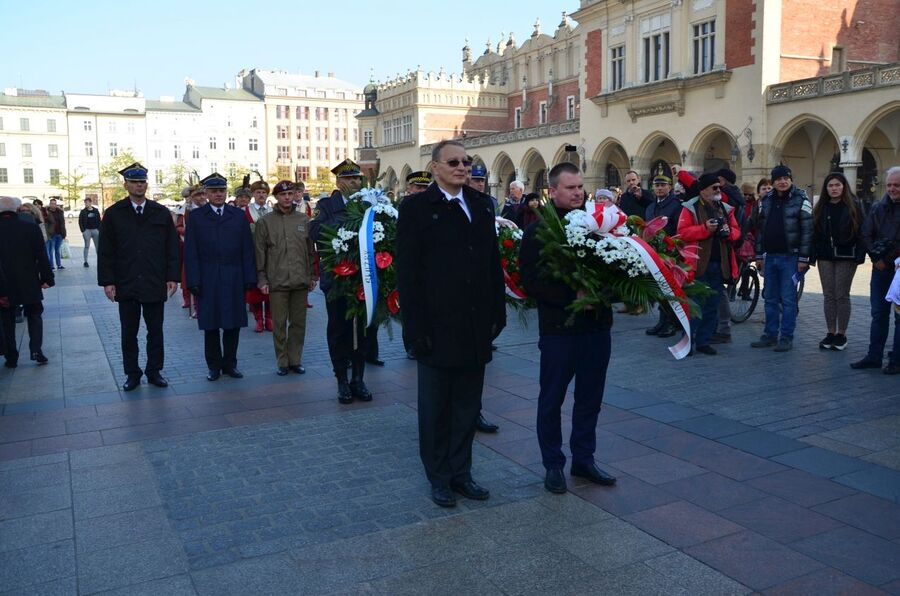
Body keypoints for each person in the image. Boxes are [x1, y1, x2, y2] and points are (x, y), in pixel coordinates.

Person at [397, 140, 506, 508]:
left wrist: (498, 312)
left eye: (467, 161)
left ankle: (462, 473)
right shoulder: (415, 208)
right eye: (454, 162)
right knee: (436, 409)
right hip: (436, 326)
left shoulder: (480, 204)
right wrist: (414, 330)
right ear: (436, 167)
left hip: (475, 324)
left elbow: (491, 262)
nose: (462, 167)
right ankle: (439, 477)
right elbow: (408, 274)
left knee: (466, 406)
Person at [519, 162, 616, 495]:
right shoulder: (538, 230)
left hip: (596, 328)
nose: (578, 192)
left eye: (580, 187)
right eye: (571, 187)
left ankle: (584, 459)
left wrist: (602, 294)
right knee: (552, 399)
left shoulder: (599, 226)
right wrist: (571, 295)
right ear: (553, 191)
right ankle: (553, 465)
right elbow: (530, 280)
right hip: (560, 329)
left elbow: (617, 270)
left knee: (590, 399)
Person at [97, 163, 180, 391]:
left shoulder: (160, 212)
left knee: (155, 331)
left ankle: (154, 371)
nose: (138, 185)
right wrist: (108, 281)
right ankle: (132, 373)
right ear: (126, 185)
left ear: (146, 184)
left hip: (154, 281)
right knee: (128, 333)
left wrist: (172, 276)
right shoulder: (114, 213)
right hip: (127, 282)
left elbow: (171, 247)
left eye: (142, 182)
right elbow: (105, 251)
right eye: (134, 182)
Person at [310, 159, 373, 403]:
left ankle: (358, 378)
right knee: (339, 329)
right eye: (348, 179)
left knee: (364, 330)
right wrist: (348, 225)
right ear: (338, 182)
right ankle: (342, 380)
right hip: (336, 278)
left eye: (357, 178)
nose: (354, 183)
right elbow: (315, 232)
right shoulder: (326, 205)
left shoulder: (369, 203)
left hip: (363, 278)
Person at [184, 173, 256, 381]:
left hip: (233, 276)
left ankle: (230, 364)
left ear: (226, 192)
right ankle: (214, 366)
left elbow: (247, 249)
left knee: (233, 324)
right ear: (206, 193)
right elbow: (191, 252)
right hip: (208, 277)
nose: (218, 194)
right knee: (211, 324)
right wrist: (193, 280)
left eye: (221, 191)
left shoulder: (237, 215)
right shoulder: (197, 217)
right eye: (214, 191)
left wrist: (249, 276)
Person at [256, 180, 317, 375]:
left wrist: (313, 275)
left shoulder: (303, 220)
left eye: (290, 194)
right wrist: (262, 279)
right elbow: (260, 253)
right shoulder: (265, 222)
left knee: (299, 323)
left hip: (300, 279)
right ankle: (282, 362)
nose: (287, 198)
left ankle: (295, 359)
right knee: (279, 324)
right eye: (283, 195)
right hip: (277, 281)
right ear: (276, 197)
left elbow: (311, 251)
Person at [677, 174, 741, 355]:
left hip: (719, 264)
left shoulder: (726, 209)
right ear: (703, 190)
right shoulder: (690, 208)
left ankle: (704, 341)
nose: (718, 190)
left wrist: (729, 232)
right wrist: (705, 229)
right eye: (714, 188)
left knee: (712, 305)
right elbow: (682, 233)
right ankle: (688, 341)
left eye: (719, 187)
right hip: (696, 265)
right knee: (695, 305)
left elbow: (737, 233)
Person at [751, 165, 813, 352]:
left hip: (791, 257)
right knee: (769, 298)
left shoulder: (802, 198)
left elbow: (808, 232)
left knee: (787, 300)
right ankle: (769, 335)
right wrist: (759, 255)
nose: (782, 181)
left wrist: (804, 258)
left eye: (786, 178)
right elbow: (761, 230)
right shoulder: (767, 200)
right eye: (778, 179)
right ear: (773, 182)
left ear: (791, 179)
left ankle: (786, 337)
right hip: (770, 257)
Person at [851, 166, 900, 374]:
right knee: (878, 313)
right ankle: (874, 356)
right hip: (881, 268)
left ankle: (897, 360)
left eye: (897, 185)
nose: (892, 189)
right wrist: (875, 256)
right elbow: (865, 234)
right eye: (889, 185)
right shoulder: (878, 208)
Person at [812, 172, 865, 351]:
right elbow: (815, 232)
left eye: (837, 185)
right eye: (830, 185)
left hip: (846, 255)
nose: (834, 188)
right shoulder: (821, 207)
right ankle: (830, 332)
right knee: (829, 295)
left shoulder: (854, 205)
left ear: (844, 186)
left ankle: (841, 334)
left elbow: (862, 231)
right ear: (826, 188)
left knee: (841, 294)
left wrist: (860, 254)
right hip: (825, 255)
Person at [0, 196, 54, 368]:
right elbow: (41, 256)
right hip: (29, 280)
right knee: (34, 314)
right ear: (16, 210)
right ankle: (36, 349)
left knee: (7, 319)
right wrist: (47, 278)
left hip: (4, 283)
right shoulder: (30, 228)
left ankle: (11, 356)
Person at [644, 165, 683, 337]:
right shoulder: (651, 207)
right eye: (656, 185)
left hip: (671, 253)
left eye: (663, 185)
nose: (659, 188)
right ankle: (663, 321)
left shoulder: (676, 206)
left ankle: (673, 323)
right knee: (660, 289)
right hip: (654, 253)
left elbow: (679, 230)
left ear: (669, 187)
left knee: (670, 289)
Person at [44, 199, 66, 271]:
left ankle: (59, 265)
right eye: (52, 203)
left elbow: (63, 223)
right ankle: (52, 266)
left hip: (59, 233)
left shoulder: (59, 212)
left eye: (54, 204)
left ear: (56, 204)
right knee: (51, 250)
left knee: (57, 250)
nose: (53, 205)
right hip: (52, 234)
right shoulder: (46, 212)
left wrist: (64, 234)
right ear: (49, 204)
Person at [78, 197, 101, 267]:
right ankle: (85, 262)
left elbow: (99, 220)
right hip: (87, 230)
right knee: (86, 246)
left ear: (90, 203)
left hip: (95, 230)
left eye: (87, 202)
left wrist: (98, 229)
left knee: (98, 247)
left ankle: (100, 261)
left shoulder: (96, 211)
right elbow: (80, 221)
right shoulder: (83, 211)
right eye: (85, 203)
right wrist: (83, 231)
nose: (86, 204)